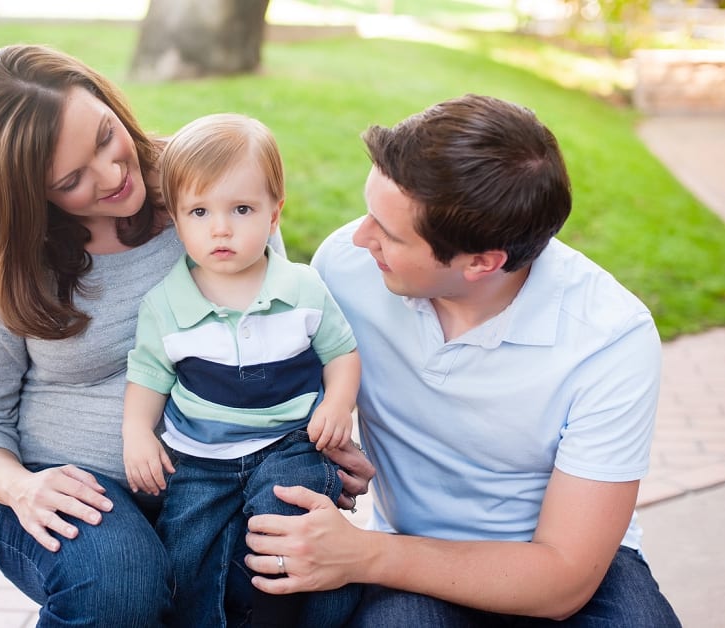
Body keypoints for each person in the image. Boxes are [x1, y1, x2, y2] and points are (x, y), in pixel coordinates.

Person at [0, 44, 374, 627]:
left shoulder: (207, 183)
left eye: (104, 137)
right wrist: (20, 488)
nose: (113, 175)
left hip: (222, 469)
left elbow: (279, 331)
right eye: (71, 179)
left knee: (286, 572)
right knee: (123, 585)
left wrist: (320, 439)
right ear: (28, 193)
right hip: (66, 490)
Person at [243, 94, 682, 626]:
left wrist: (365, 555)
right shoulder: (349, 266)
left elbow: (565, 575)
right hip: (416, 551)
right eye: (369, 213)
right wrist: (329, 449)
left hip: (563, 565)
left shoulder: (610, 339)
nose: (361, 237)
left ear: (481, 262)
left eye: (390, 232)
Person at [122, 113, 361, 627]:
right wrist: (137, 433)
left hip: (290, 440)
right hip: (200, 457)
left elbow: (341, 351)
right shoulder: (166, 304)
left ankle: (277, 617)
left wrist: (339, 404)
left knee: (290, 514)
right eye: (200, 211)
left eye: (242, 208)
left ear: (275, 214)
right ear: (177, 221)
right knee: (185, 551)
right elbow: (148, 377)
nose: (221, 228)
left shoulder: (302, 288)